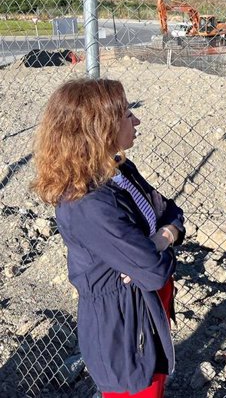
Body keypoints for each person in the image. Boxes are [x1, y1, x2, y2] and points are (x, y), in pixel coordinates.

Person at [32, 79, 185, 398]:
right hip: (124, 331)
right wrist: (157, 246)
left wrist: (162, 238)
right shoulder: (88, 205)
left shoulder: (118, 170)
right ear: (100, 128)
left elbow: (171, 212)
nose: (137, 120)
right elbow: (154, 272)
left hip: (145, 308)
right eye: (128, 114)